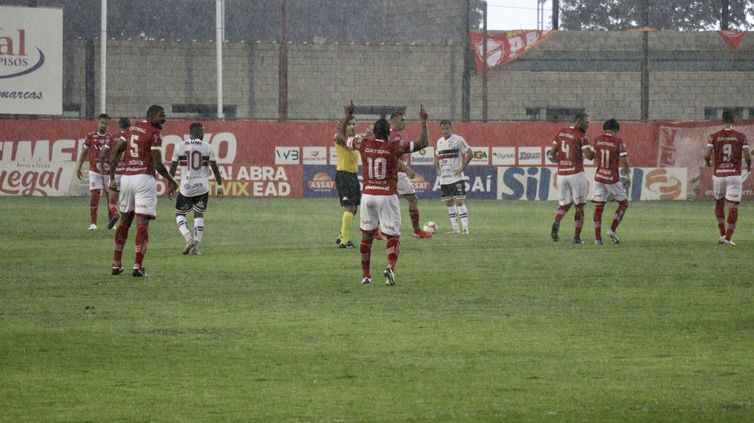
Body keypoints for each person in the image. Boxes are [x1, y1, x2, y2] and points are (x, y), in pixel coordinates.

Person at [336, 101, 429, 286]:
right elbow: (423, 143)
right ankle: (390, 267)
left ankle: (366, 275)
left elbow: (339, 137)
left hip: (368, 195)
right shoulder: (394, 146)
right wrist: (423, 121)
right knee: (393, 236)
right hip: (386, 195)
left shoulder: (363, 143)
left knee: (366, 236)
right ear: (388, 133)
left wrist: (348, 114)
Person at [109, 105, 179, 277]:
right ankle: (137, 266)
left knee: (124, 221)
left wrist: (112, 178)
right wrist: (171, 180)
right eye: (161, 116)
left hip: (126, 178)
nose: (164, 119)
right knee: (142, 223)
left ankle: (116, 264)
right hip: (144, 179)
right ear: (151, 115)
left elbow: (116, 151)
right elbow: (157, 163)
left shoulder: (130, 129)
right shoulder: (154, 134)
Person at [169, 122, 224, 255]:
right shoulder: (207, 147)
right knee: (198, 214)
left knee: (179, 214)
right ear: (199, 132)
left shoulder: (179, 146)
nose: (204, 134)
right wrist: (220, 185)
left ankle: (188, 238)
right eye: (203, 131)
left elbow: (172, 168)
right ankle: (196, 248)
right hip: (202, 187)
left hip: (186, 186)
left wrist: (170, 185)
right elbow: (215, 169)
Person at [704, 110, 751, 246]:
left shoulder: (714, 137)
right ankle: (728, 238)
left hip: (719, 175)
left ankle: (722, 234)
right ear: (734, 120)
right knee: (733, 206)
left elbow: (706, 155)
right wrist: (748, 166)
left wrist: (708, 164)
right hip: (734, 175)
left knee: (719, 203)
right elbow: (747, 156)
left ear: (722, 120)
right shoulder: (741, 136)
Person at [549, 112, 594, 244]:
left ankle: (556, 221)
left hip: (562, 175)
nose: (588, 125)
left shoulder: (561, 132)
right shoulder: (582, 136)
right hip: (576, 174)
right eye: (586, 122)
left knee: (565, 204)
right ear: (579, 121)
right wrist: (595, 153)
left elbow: (552, 154)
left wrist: (562, 162)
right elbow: (589, 156)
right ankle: (576, 238)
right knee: (579, 206)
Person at [388, 110, 433, 239]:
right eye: (402, 120)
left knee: (385, 201)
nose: (404, 122)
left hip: (392, 173)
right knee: (413, 200)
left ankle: (375, 230)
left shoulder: (391, 135)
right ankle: (416, 231)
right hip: (397, 173)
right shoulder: (394, 136)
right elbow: (392, 156)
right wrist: (407, 169)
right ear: (394, 121)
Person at [591, 119, 631, 245]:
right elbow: (625, 161)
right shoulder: (618, 142)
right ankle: (612, 230)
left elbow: (594, 156)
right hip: (611, 178)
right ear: (615, 130)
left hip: (599, 176)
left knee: (599, 206)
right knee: (623, 204)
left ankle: (597, 239)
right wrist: (627, 176)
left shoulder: (597, 140)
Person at [75, 113, 115, 230]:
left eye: (106, 123)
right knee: (95, 195)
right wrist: (79, 167)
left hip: (107, 172)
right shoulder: (91, 136)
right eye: (102, 122)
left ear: (108, 124)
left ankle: (111, 222)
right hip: (95, 171)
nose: (103, 125)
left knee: (110, 197)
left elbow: (115, 155)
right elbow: (83, 152)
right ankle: (93, 223)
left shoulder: (111, 138)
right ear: (98, 122)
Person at [434, 119, 473, 234]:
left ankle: (465, 229)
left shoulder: (458, 140)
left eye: (447, 128)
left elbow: (470, 153)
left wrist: (462, 167)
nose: (445, 131)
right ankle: (455, 228)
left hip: (456, 177)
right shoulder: (439, 141)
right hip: (444, 179)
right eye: (443, 129)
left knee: (459, 201)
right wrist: (437, 168)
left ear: (451, 128)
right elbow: (436, 156)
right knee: (449, 202)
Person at [333, 116, 362, 249]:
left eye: (354, 123)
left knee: (354, 208)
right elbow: (351, 148)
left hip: (353, 175)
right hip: (344, 174)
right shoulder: (339, 137)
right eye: (349, 124)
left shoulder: (358, 136)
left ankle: (341, 236)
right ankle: (344, 241)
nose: (352, 126)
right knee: (349, 207)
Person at [105, 117, 130, 230]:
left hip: (116, 173)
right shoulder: (132, 136)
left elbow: (106, 154)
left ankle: (115, 214)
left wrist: (111, 176)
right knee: (127, 203)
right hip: (128, 174)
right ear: (129, 125)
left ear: (119, 125)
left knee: (112, 203)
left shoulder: (113, 136)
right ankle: (126, 225)